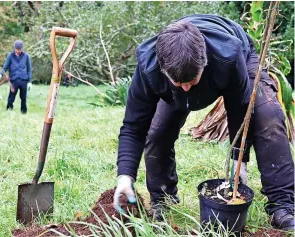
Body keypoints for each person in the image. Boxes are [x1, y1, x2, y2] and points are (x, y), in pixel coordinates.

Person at [113, 14, 294, 231]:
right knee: (157, 131)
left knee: (268, 116)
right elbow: (134, 126)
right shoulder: (149, 66)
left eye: (192, 81)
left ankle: (283, 206)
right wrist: (124, 178)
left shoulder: (229, 55)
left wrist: (239, 161)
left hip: (240, 56)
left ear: (204, 63)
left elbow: (239, 108)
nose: (186, 89)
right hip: (179, 62)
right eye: (179, 83)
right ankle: (162, 200)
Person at [0, 40, 32, 114]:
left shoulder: (26, 56)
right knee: (11, 97)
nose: (18, 51)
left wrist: (29, 82)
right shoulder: (10, 56)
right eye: (17, 49)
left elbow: (29, 69)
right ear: (14, 48)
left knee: (23, 98)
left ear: (22, 48)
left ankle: (24, 112)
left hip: (23, 80)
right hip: (14, 80)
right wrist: (0, 74)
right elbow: (5, 67)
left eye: (19, 49)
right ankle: (9, 110)